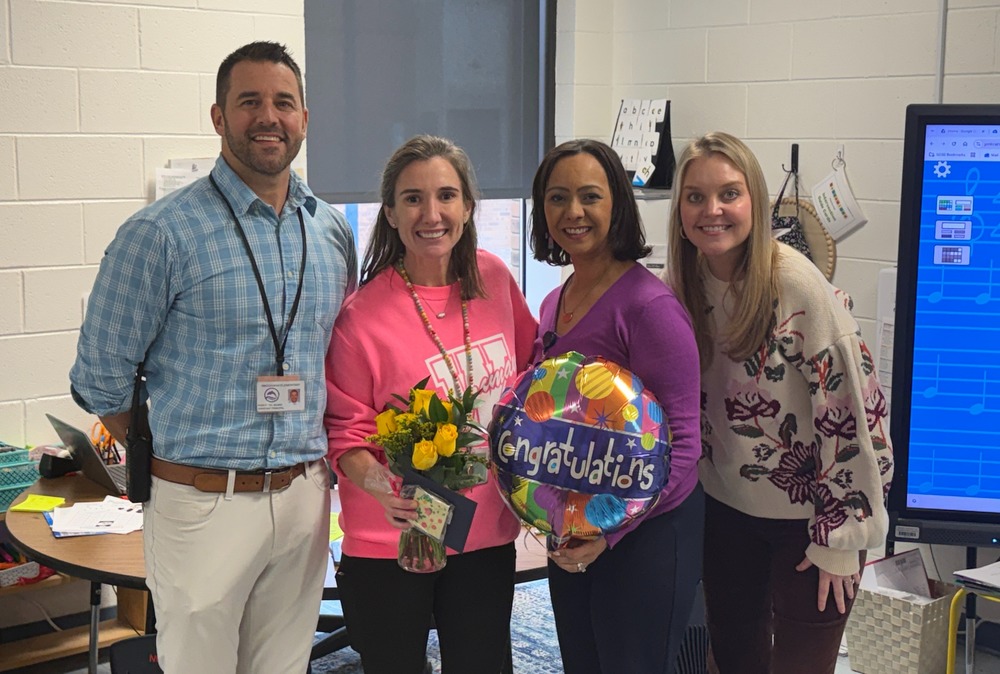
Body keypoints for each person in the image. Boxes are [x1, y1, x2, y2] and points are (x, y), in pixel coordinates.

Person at [69, 41, 357, 674]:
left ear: (305, 119)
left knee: (283, 667)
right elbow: (99, 379)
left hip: (307, 494)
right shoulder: (160, 234)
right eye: (248, 101)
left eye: (284, 102)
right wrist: (169, 456)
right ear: (218, 116)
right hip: (201, 501)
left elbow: (339, 352)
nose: (268, 117)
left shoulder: (331, 230)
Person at [665, 131, 894, 674]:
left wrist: (842, 539)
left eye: (728, 194)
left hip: (811, 518)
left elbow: (851, 413)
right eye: (695, 196)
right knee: (735, 659)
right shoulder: (683, 284)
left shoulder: (795, 286)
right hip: (725, 510)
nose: (711, 210)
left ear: (756, 201)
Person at [324, 135, 537, 674]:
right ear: (391, 213)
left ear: (467, 206)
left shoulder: (494, 279)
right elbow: (345, 436)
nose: (431, 213)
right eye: (413, 198)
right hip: (390, 540)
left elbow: (532, 380)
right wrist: (383, 488)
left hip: (484, 533)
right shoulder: (361, 316)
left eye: (446, 195)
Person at [529, 138, 704, 674]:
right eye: (557, 198)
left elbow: (685, 447)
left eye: (589, 197)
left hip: (645, 537)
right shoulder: (555, 300)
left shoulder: (649, 308)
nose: (573, 212)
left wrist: (611, 535)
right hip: (578, 529)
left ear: (617, 206)